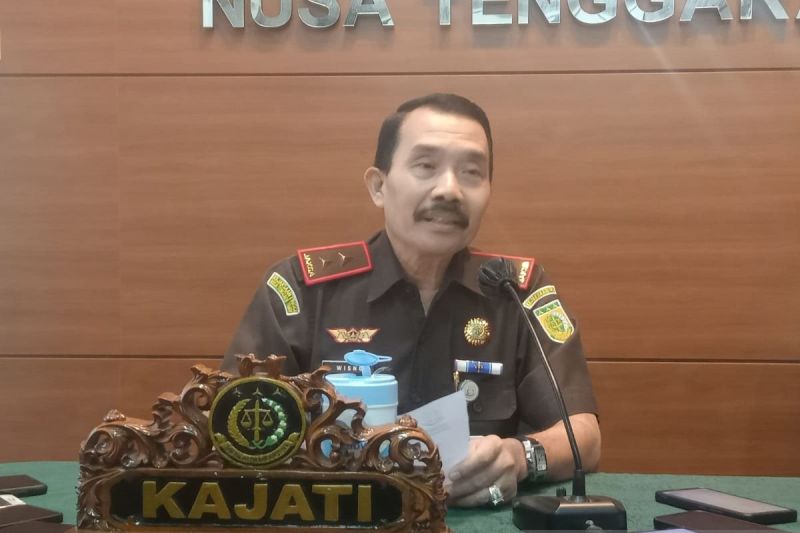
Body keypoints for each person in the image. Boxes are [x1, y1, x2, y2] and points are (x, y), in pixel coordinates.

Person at [222, 93, 600, 508]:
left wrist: (520, 457)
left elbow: (584, 435)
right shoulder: (302, 289)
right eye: (426, 166)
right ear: (379, 187)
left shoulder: (517, 290)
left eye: (472, 172)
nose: (450, 190)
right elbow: (231, 425)